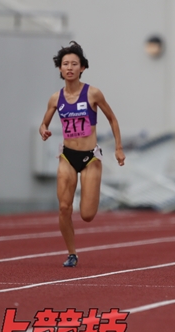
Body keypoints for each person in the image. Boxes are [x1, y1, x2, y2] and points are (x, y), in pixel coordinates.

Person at [39, 41, 126, 267]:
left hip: (90, 158)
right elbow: (44, 123)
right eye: (65, 64)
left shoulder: (93, 94)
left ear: (82, 68)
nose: (69, 68)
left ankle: (83, 220)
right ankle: (72, 252)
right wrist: (44, 130)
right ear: (60, 68)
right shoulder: (55, 98)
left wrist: (118, 147)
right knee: (64, 207)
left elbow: (113, 118)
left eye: (74, 64)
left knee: (87, 214)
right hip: (67, 156)